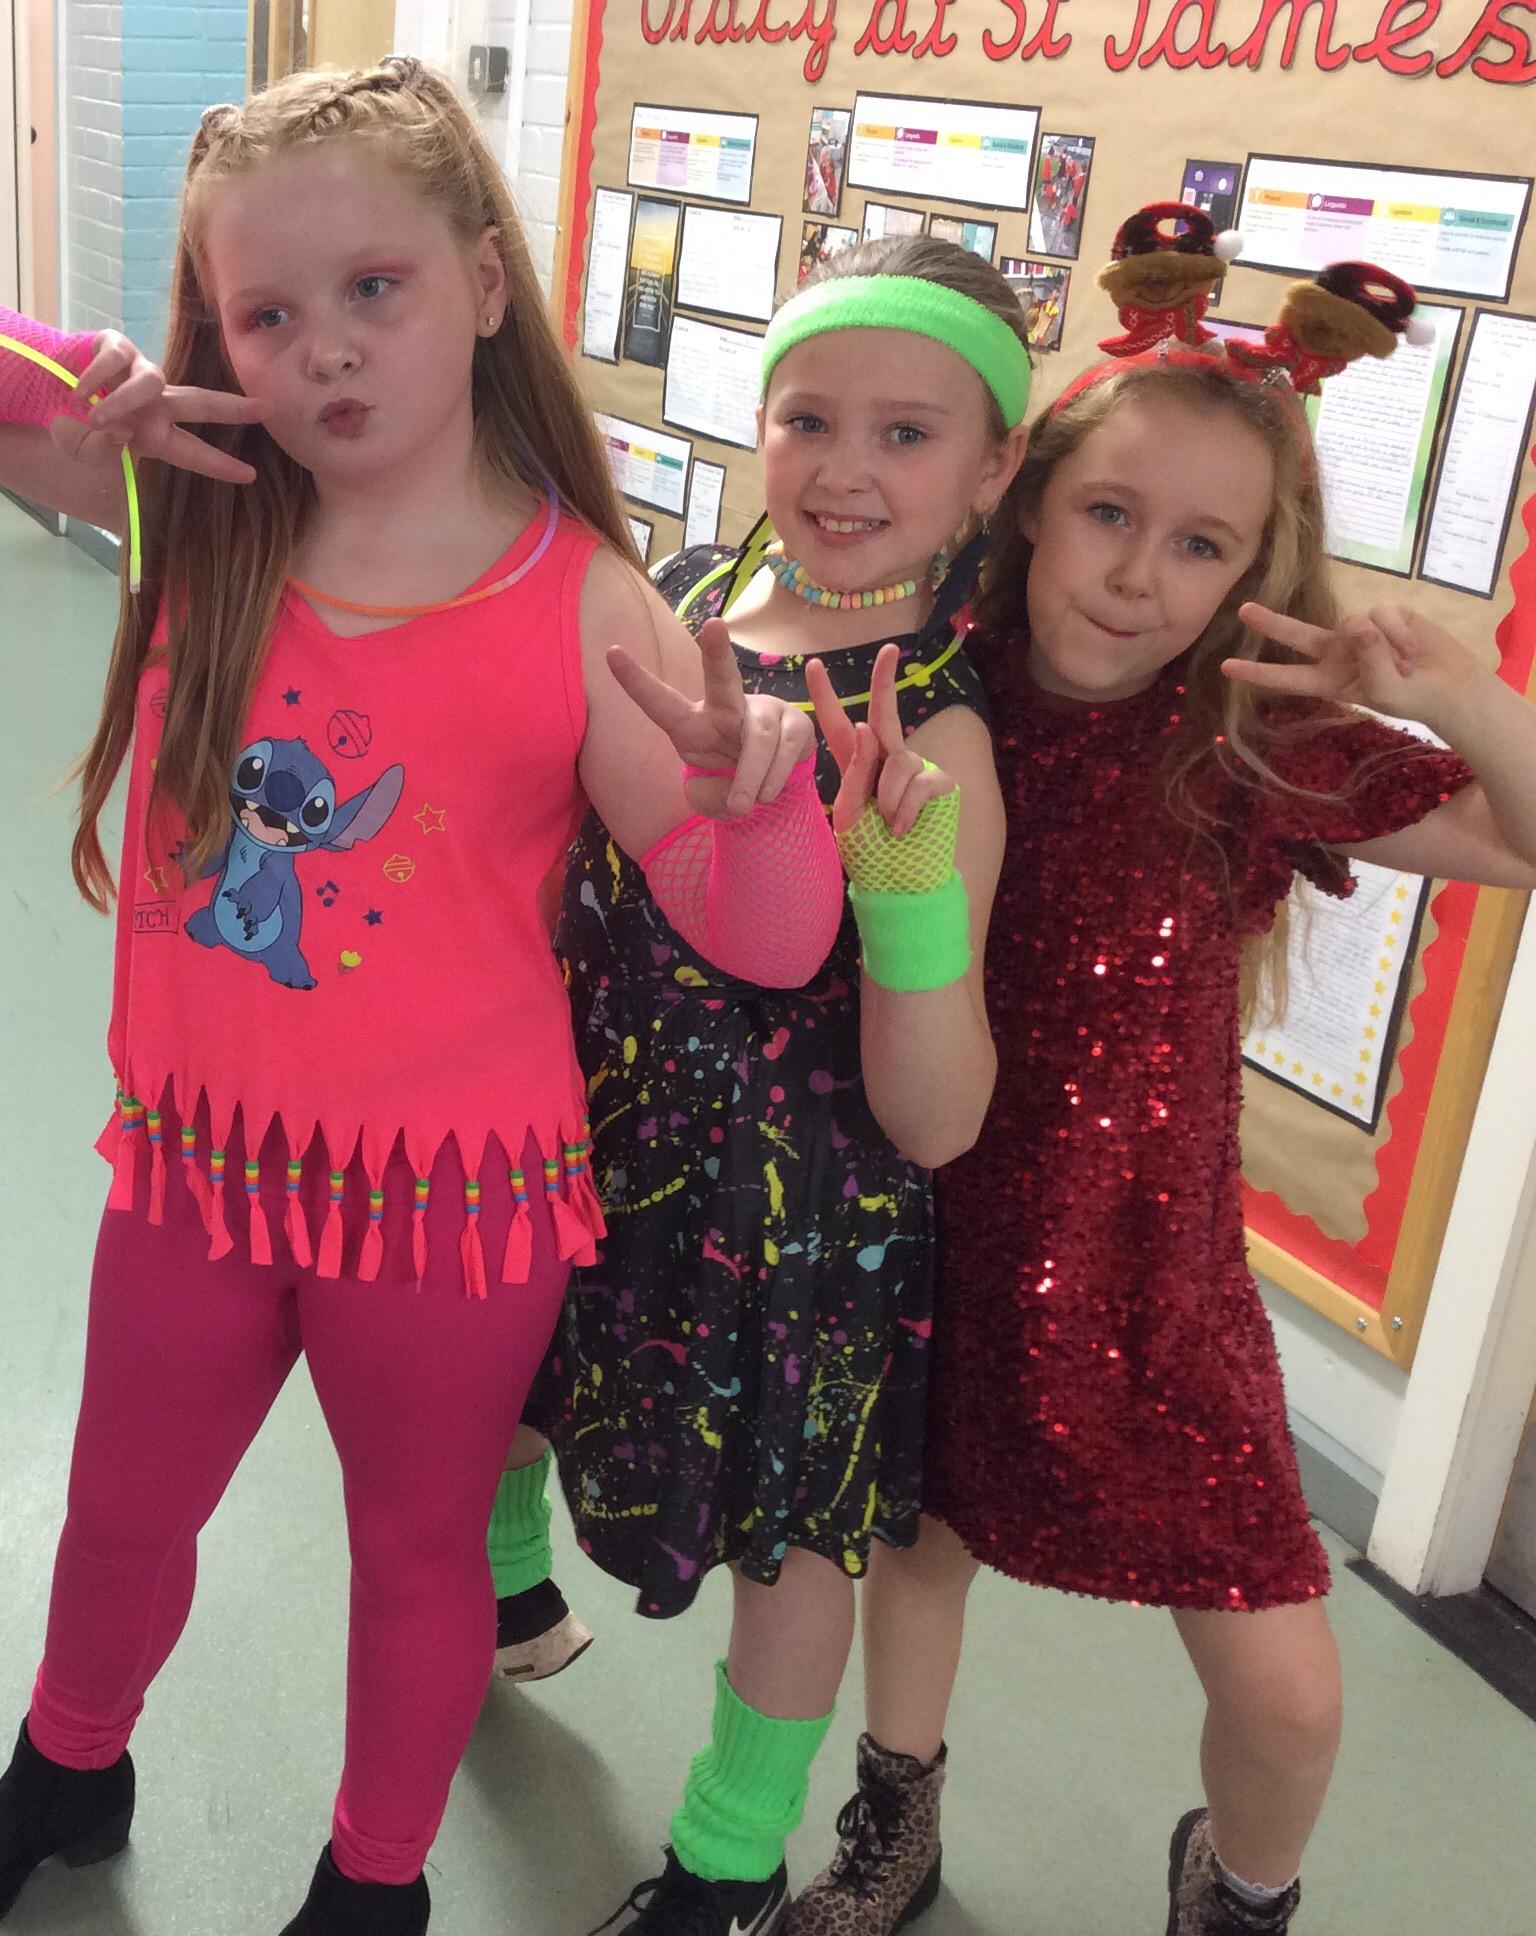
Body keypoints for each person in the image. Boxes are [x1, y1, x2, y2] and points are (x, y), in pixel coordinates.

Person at [0, 57, 875, 1936]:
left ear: (483, 283)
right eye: (266, 313)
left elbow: (769, 943)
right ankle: (68, 1767)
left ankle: (372, 1883)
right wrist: (80, 378)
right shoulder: (202, 509)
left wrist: (767, 803)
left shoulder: (588, 603)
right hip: (199, 1163)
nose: (322, 349)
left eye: (374, 288)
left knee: (414, 1557)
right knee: (119, 1507)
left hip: (453, 1206)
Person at [795, 242, 1536, 1936]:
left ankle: (1241, 1889)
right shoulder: (939, 695)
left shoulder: (1247, 745)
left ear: (1251, 573)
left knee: (1289, 1693)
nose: (1139, 578)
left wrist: (1466, 698)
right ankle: (894, 1818)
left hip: (1153, 1288)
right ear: (1029, 505)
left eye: (1201, 545)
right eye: (1110, 516)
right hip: (933, 1231)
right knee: (917, 1554)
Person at [506, 237, 1024, 1936]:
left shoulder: (937, 731)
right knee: (517, 1377)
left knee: (785, 1542)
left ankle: (728, 1863)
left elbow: (937, 1113)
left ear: (994, 468)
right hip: (592, 1125)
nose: (844, 470)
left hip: (795, 1225)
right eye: (809, 419)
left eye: (907, 434)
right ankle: (506, 1592)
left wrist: (902, 884)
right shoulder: (685, 594)